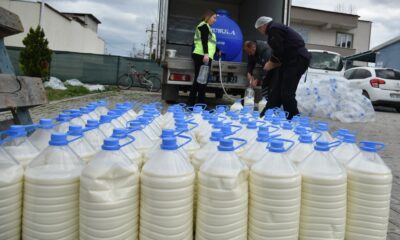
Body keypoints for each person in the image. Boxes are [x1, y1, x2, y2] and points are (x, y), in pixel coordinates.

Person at [255, 16, 311, 119]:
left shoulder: (274, 28)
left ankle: (293, 119)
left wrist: (271, 62)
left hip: (297, 59)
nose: (260, 31)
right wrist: (275, 62)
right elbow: (282, 50)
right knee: (277, 90)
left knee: (286, 92)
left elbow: (278, 49)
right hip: (289, 60)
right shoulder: (275, 29)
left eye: (259, 29)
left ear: (263, 25)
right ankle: (267, 115)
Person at [188, 10, 220, 106]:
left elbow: (210, 42)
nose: (215, 20)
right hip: (202, 55)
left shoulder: (207, 27)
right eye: (214, 18)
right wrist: (206, 54)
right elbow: (204, 41)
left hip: (203, 55)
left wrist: (218, 50)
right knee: (202, 81)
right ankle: (200, 104)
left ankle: (191, 103)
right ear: (208, 16)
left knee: (199, 80)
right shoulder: (204, 26)